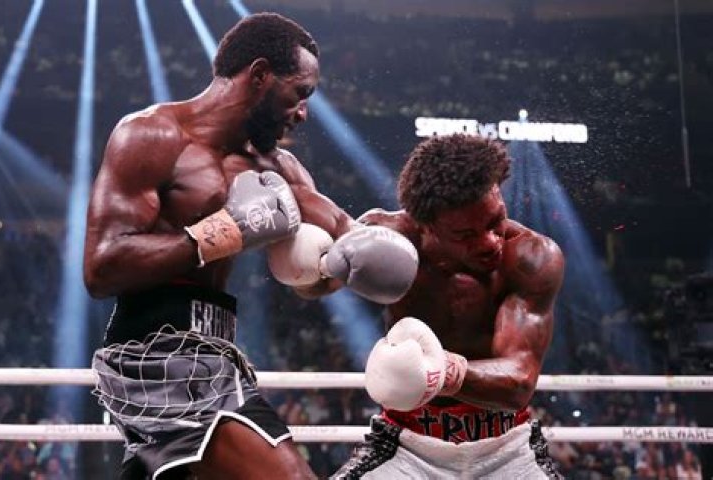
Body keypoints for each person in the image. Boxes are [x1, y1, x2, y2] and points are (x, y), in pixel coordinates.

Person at [84, 12, 417, 480]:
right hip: (153, 355)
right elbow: (102, 268)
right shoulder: (152, 136)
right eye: (299, 93)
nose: (303, 112)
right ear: (260, 75)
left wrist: (333, 267)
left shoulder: (279, 169)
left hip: (216, 351)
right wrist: (224, 232)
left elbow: (345, 235)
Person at [327, 134, 566, 478]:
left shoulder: (530, 257)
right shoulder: (388, 239)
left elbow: (520, 381)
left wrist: (441, 372)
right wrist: (312, 266)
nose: (490, 242)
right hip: (407, 444)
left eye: (495, 221)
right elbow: (315, 283)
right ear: (426, 226)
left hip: (507, 448)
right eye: (465, 235)